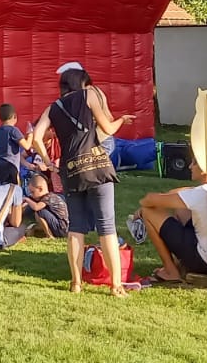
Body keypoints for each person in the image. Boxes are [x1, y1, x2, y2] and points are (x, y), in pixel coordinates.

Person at [27, 66, 133, 293]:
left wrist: (47, 161)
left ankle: (76, 283)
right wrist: (122, 120)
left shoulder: (52, 107)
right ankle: (115, 285)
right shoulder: (90, 94)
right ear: (82, 83)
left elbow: (36, 137)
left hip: (71, 169)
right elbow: (108, 128)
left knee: (76, 227)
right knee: (106, 226)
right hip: (97, 166)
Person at [136, 157, 207, 282]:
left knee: (148, 212)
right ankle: (179, 265)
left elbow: (150, 199)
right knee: (181, 209)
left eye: (194, 163)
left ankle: (170, 271)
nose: (189, 166)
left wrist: (143, 206)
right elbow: (183, 193)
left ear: (205, 169)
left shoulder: (200, 193)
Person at [23, 175, 68, 239]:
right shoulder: (50, 196)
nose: (31, 195)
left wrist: (27, 200)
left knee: (40, 211)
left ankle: (49, 235)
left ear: (40, 189)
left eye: (33, 192)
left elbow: (36, 207)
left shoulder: (49, 197)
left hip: (61, 228)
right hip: (64, 228)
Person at [0, 103, 31, 174]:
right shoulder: (13, 130)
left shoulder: (0, 130)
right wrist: (30, 134)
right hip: (11, 166)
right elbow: (27, 146)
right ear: (15, 116)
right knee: (13, 184)